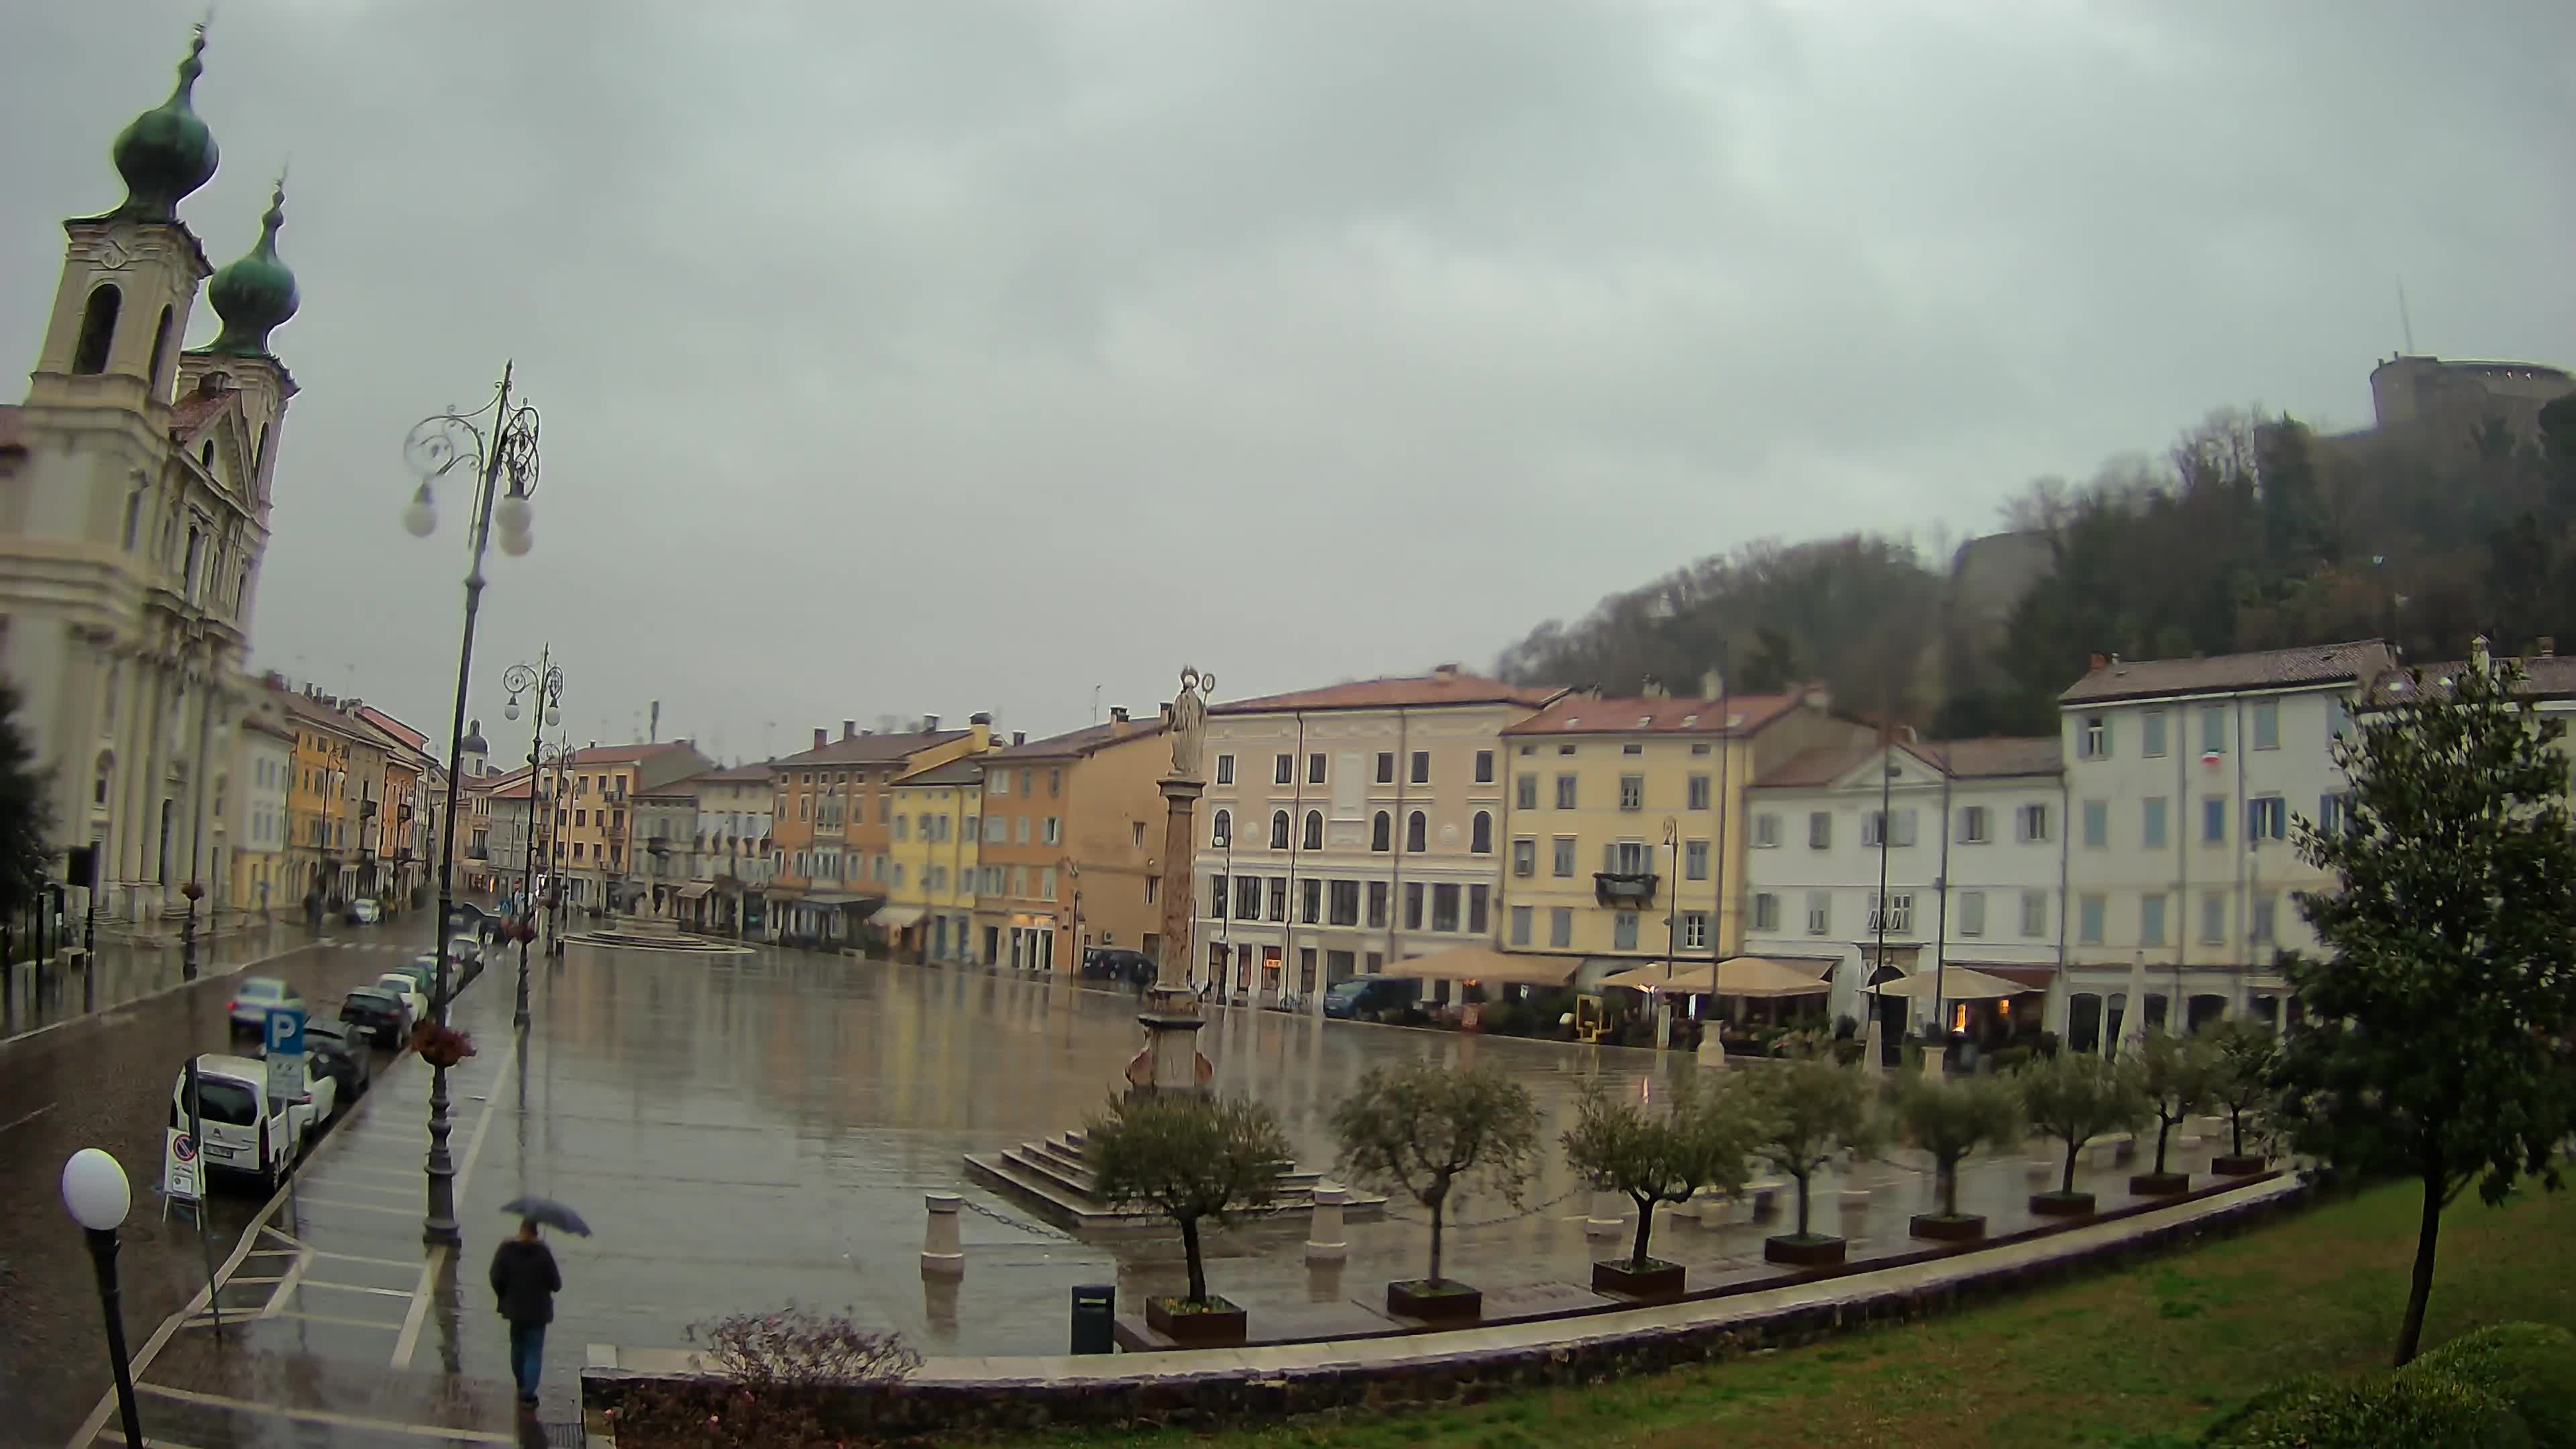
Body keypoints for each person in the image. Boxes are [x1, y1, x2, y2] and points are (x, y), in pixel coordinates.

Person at [488, 1219, 561, 1411]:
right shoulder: (543, 1253)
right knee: (533, 1352)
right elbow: (556, 1284)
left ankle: (521, 1382)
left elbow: (496, 1277)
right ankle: (528, 1395)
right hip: (538, 1312)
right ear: (536, 1233)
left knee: (518, 1346)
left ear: (521, 1230)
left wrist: (504, 1296)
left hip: (514, 1310)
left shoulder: (506, 1250)